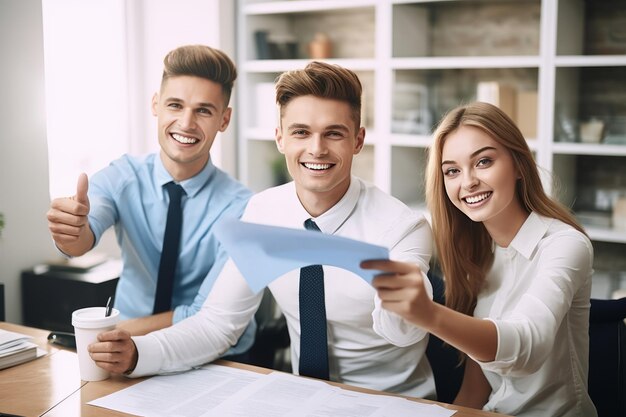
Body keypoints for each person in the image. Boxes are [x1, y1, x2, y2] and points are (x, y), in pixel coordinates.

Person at [88, 61, 436, 398]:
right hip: (306, 402)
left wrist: (407, 305)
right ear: (280, 138)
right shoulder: (263, 212)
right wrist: (138, 353)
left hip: (394, 403)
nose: (316, 149)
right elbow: (219, 324)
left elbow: (405, 334)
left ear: (357, 141)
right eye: (301, 132)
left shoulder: (402, 228)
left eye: (334, 134)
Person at [362, 101, 597, 416]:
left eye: (483, 161)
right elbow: (476, 389)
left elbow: (528, 348)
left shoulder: (565, 245)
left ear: (517, 164)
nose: (468, 182)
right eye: (453, 171)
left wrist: (429, 314)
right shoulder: (477, 256)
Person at [46, 45, 256, 355]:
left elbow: (205, 316)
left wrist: (112, 333)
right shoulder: (123, 176)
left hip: (211, 354)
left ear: (224, 119)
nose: (186, 123)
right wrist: (70, 232)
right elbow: (81, 239)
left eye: (203, 110)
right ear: (156, 105)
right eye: (175, 105)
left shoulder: (243, 208)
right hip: (118, 349)